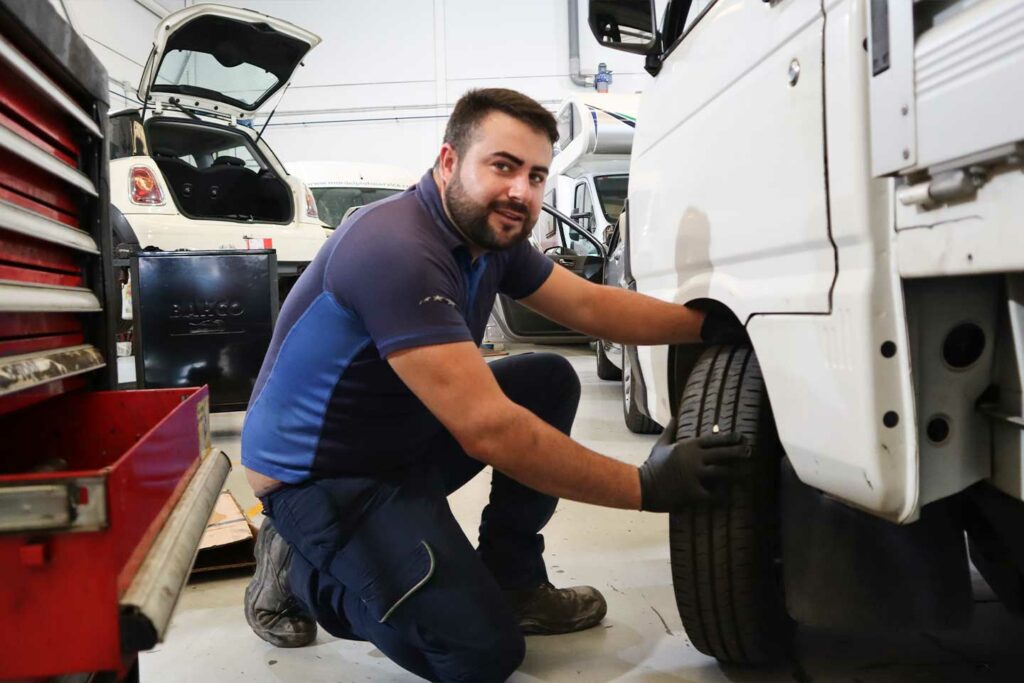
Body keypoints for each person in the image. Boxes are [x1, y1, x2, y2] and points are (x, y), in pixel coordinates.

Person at [240, 88, 748, 682]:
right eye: (503, 166)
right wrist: (645, 486)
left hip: (399, 438)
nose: (521, 192)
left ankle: (515, 580)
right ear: (449, 162)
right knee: (477, 654)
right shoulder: (397, 249)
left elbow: (589, 304)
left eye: (536, 176)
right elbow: (489, 430)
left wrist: (714, 324)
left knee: (547, 378)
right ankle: (301, 570)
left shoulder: (490, 238)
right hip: (322, 478)